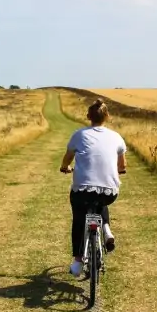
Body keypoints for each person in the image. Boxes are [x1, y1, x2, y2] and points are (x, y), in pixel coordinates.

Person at [60, 98, 127, 277]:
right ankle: (106, 229)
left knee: (79, 217)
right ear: (107, 116)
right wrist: (119, 170)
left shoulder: (79, 135)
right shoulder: (116, 137)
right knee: (100, 198)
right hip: (109, 191)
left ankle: (77, 261)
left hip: (82, 190)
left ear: (88, 116)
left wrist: (65, 167)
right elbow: (122, 166)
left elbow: (67, 158)